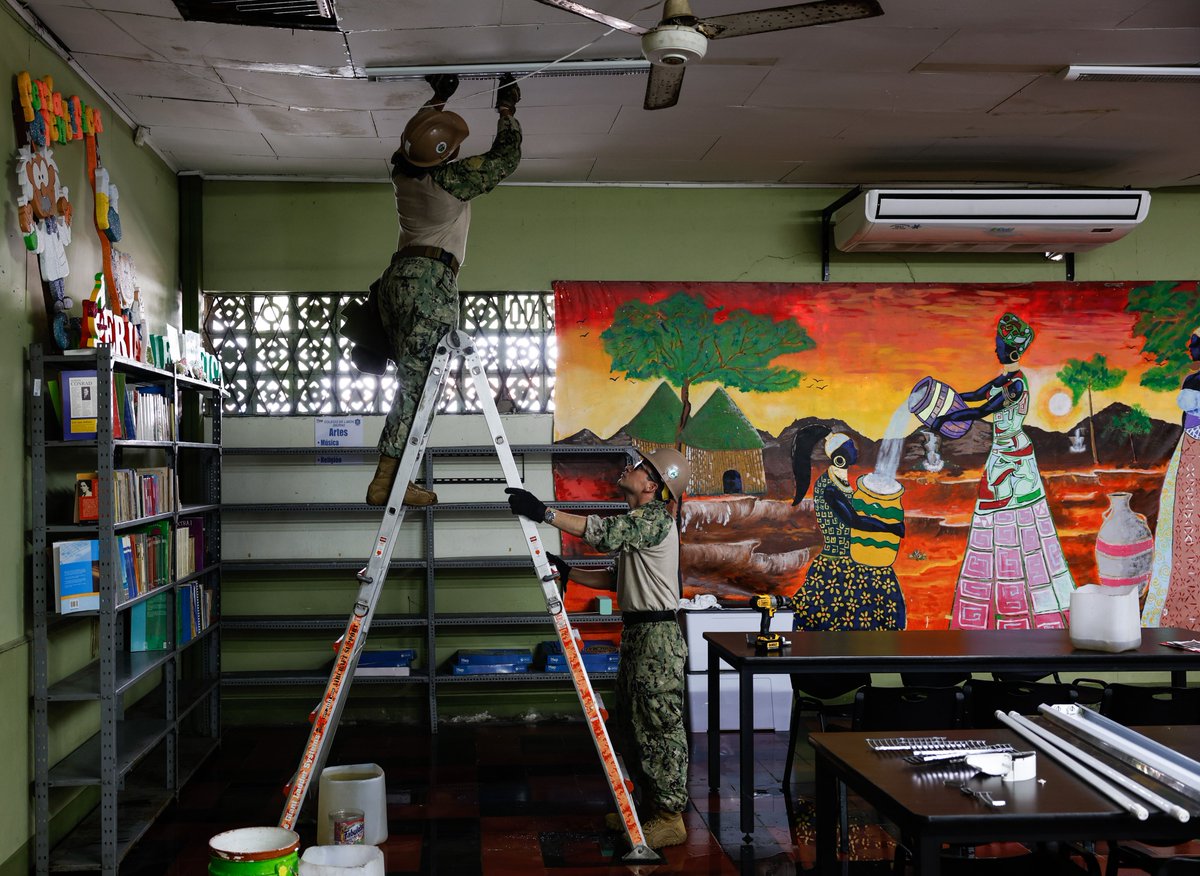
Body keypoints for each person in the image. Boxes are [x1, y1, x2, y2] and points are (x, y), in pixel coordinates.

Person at [503, 448, 691, 849]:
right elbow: (615, 579)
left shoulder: (654, 519)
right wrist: (571, 572)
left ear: (652, 485)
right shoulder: (642, 526)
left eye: (640, 467)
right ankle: (647, 808)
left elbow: (604, 535)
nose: (631, 467)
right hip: (641, 634)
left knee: (659, 727)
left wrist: (544, 513)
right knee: (634, 724)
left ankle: (670, 817)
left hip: (657, 638)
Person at [354, 72, 523, 506]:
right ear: (446, 156)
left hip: (394, 283)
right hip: (430, 283)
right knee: (419, 384)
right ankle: (388, 479)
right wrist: (507, 111)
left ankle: (393, 475)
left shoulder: (402, 172)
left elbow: (413, 141)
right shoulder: (451, 180)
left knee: (413, 381)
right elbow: (506, 158)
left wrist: (438, 99)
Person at [930, 311, 1075, 629]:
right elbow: (976, 395)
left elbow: (984, 408)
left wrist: (946, 419)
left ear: (1010, 351)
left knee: (1018, 522)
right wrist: (947, 399)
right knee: (995, 520)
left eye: (998, 345)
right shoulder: (1006, 379)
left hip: (1013, 456)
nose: (995, 349)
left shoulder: (1017, 385)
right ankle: (1001, 591)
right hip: (1002, 452)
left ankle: (1024, 597)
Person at [789, 425, 906, 631]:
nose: (856, 450)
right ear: (840, 457)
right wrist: (890, 526)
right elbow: (853, 520)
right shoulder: (828, 488)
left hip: (857, 558)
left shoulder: (842, 484)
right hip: (838, 566)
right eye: (851, 447)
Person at [1142, 327, 1200, 627]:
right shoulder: (1190, 380)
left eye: (1194, 344)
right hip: (1190, 449)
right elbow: (1183, 421)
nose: (1190, 348)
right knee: (1185, 517)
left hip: (1193, 448)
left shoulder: (1193, 382)